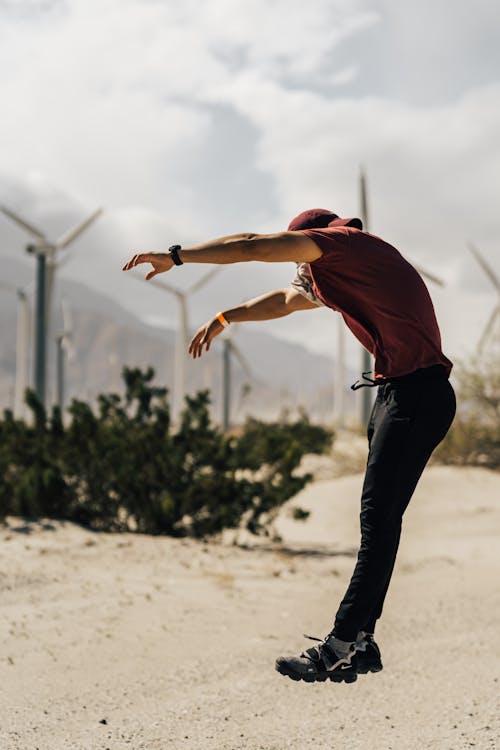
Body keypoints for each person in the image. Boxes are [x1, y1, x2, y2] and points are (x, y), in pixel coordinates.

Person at [122, 207, 456, 685]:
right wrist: (226, 315)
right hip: (399, 393)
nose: (297, 268)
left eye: (297, 254)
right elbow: (284, 299)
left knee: (377, 521)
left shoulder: (342, 245)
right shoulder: (339, 273)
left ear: (308, 240)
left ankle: (341, 644)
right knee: (379, 521)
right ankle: (360, 641)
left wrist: (177, 257)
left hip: (417, 394)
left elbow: (252, 245)